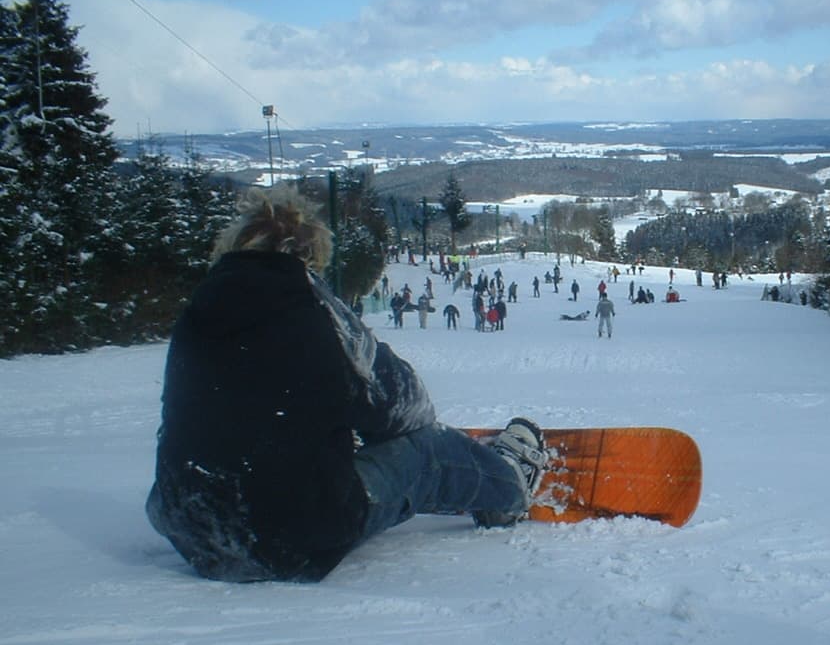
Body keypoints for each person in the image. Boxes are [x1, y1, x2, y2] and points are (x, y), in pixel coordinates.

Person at [145, 185, 549, 583]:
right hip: (288, 542)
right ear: (311, 253)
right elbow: (404, 405)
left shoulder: (197, 311)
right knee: (429, 452)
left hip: (192, 530)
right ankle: (508, 488)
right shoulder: (313, 309)